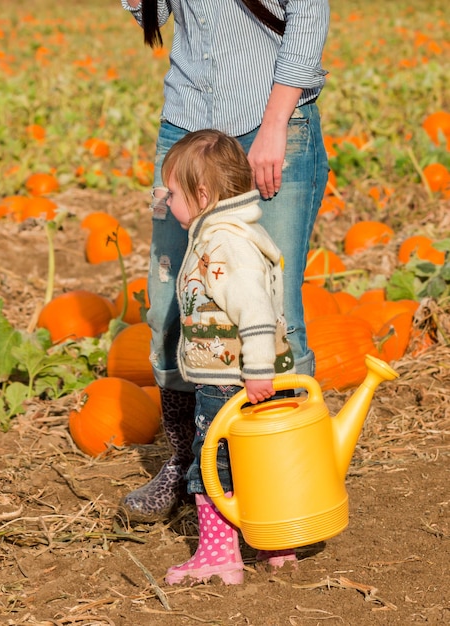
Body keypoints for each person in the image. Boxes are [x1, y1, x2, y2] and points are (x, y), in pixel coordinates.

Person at [118, 0, 330, 526]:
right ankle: (189, 463)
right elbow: (155, 13)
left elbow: (308, 14)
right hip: (187, 127)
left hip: (266, 123)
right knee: (170, 306)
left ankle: (283, 481)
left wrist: (276, 123)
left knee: (275, 313)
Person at [162, 128, 296, 585]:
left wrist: (256, 371)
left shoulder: (224, 243)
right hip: (248, 376)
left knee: (214, 464)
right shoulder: (232, 233)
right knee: (260, 461)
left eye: (172, 193)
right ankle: (276, 543)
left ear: (202, 194)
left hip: (231, 381)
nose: (165, 201)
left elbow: (254, 310)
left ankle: (220, 555)